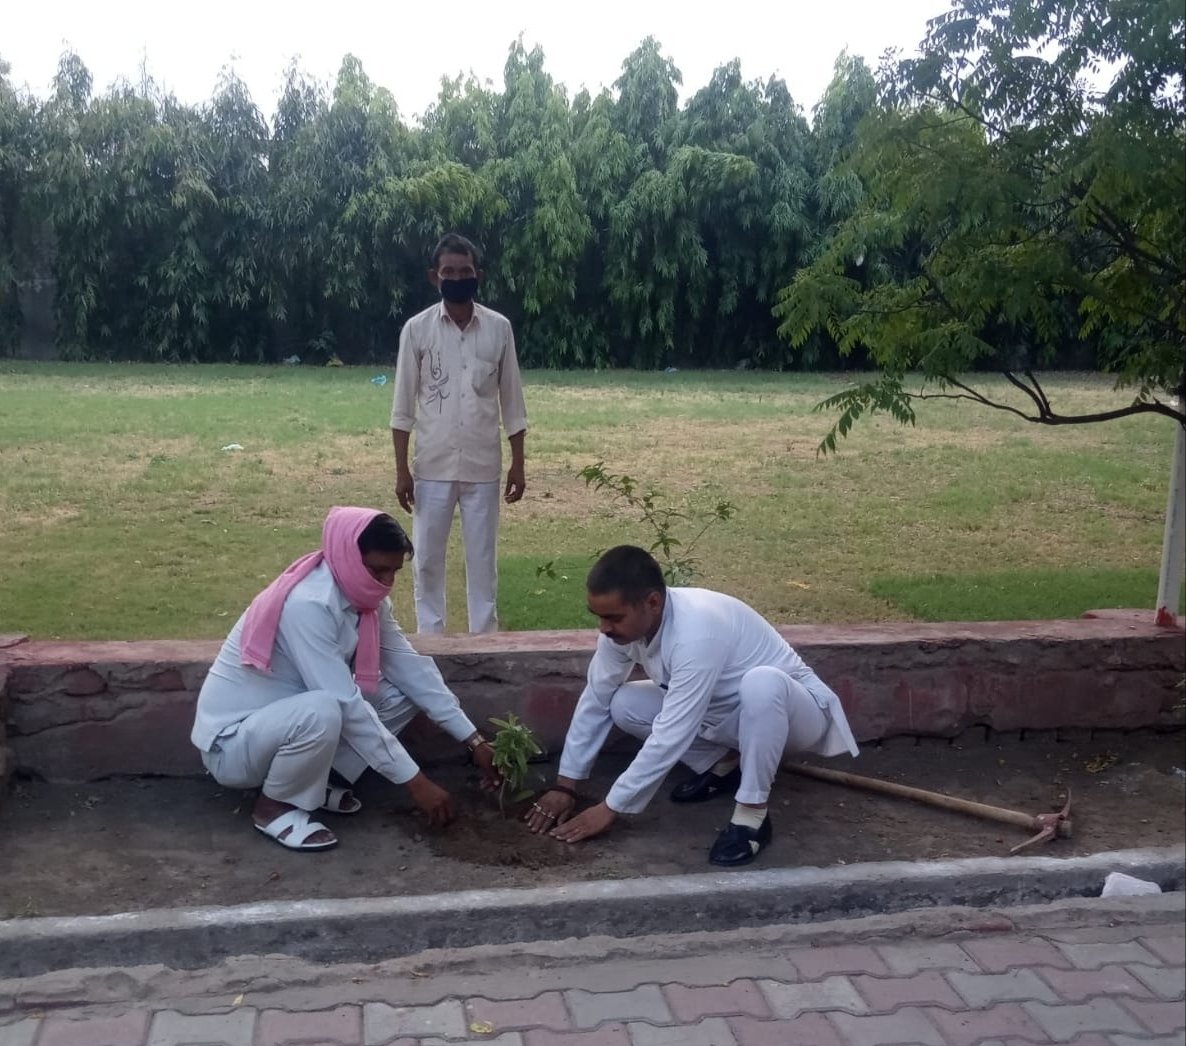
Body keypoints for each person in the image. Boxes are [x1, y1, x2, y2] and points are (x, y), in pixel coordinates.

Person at [525, 546, 859, 866]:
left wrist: (610, 807)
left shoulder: (696, 631)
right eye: (598, 617)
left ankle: (752, 813)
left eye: (613, 618)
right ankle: (726, 765)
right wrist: (565, 785)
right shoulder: (621, 633)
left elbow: (674, 731)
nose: (604, 628)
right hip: (727, 718)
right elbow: (597, 697)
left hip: (794, 715)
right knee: (623, 702)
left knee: (762, 683)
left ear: (653, 602)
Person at [191, 506, 501, 852]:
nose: (386, 583)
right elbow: (344, 702)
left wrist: (473, 740)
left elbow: (410, 667)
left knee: (399, 696)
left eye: (394, 572)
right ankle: (273, 807)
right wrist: (416, 782)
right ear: (348, 557)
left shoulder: (366, 599)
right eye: (377, 570)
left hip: (281, 724)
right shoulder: (308, 604)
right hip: (232, 748)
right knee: (325, 708)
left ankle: (310, 782)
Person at [390, 232, 528, 634]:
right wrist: (402, 471)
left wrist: (518, 464)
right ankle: (432, 643)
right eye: (448, 272)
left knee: (482, 561)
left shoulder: (499, 329)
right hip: (432, 465)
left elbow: (512, 402)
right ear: (434, 277)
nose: (456, 278)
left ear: (478, 275)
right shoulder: (417, 330)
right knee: (427, 561)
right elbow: (402, 407)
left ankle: (483, 642)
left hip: (483, 466)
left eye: (464, 271)